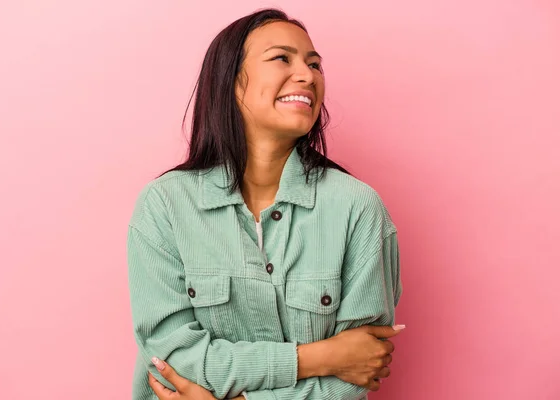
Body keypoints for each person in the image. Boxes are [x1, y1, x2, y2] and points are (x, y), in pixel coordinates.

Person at [127, 8, 404, 400]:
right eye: (281, 58)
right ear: (231, 82)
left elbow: (361, 366)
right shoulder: (164, 207)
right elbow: (172, 359)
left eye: (314, 65)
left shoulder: (357, 208)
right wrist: (314, 358)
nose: (308, 75)